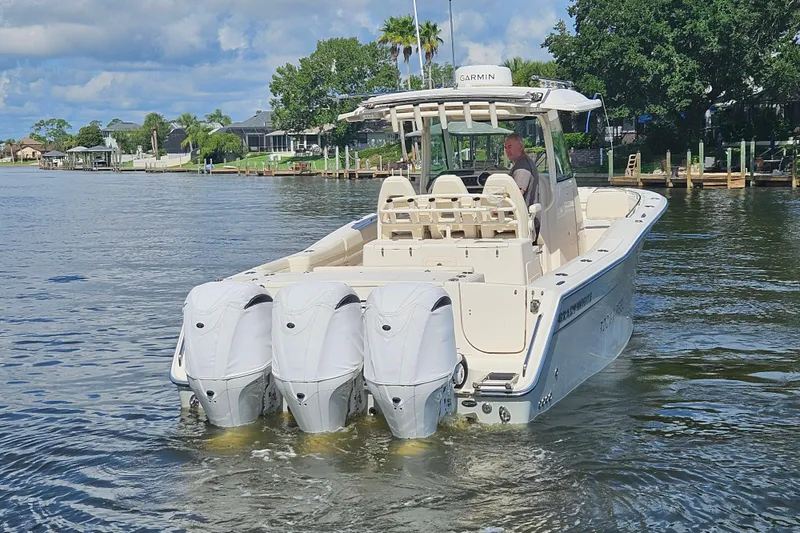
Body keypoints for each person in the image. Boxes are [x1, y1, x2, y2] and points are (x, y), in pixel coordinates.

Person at [503, 133, 541, 240]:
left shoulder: (522, 168)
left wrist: (499, 211)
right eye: (505, 147)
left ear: (520, 147)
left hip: (524, 222)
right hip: (525, 219)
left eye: (510, 147)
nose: (507, 150)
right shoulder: (522, 163)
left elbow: (518, 194)